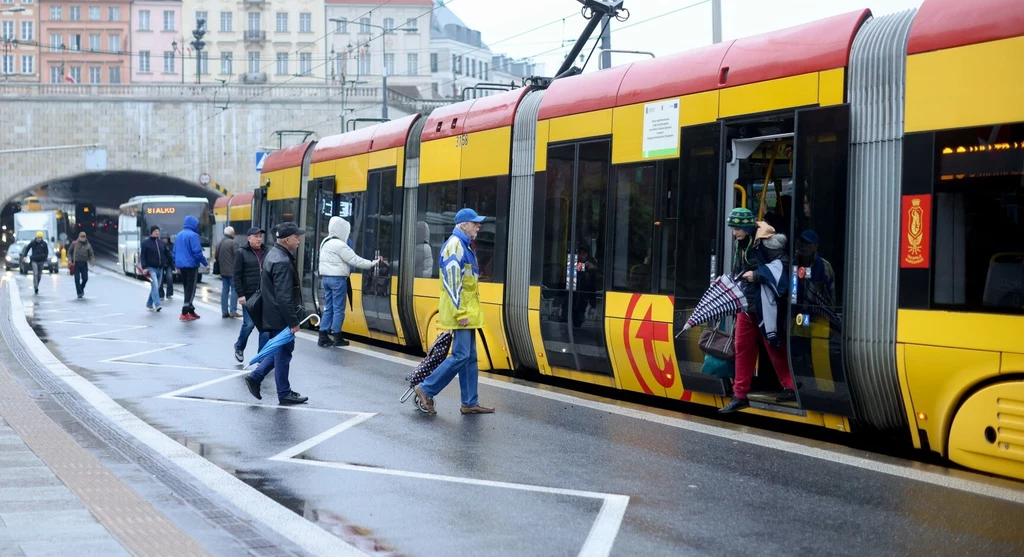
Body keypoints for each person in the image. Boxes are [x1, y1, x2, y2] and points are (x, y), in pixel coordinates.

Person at [413, 208, 494, 415]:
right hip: (462, 314)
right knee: (460, 356)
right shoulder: (455, 246)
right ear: (463, 225)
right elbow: (452, 282)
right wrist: (460, 314)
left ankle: (469, 402)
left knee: (470, 357)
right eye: (475, 222)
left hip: (469, 313)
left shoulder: (465, 245)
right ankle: (426, 388)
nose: (478, 226)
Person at [720, 207, 796, 413]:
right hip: (747, 304)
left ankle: (790, 386)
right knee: (742, 347)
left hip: (765, 304)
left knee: (772, 344)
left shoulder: (767, 241)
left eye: (736, 228)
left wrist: (758, 275)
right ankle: (740, 395)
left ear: (745, 226)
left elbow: (785, 267)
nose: (734, 232)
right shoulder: (741, 243)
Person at [243, 222, 308, 405]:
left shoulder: (273, 254)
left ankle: (256, 377)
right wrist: (293, 322)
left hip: (272, 313)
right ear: (287, 240)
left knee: (280, 349)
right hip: (280, 316)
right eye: (296, 237)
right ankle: (283, 393)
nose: (299, 240)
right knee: (284, 352)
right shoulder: (282, 261)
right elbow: (283, 296)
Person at [317, 216, 379, 347]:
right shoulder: (340, 245)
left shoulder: (325, 242)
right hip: (338, 280)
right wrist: (371, 263)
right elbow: (355, 260)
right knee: (339, 308)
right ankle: (337, 336)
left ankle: (323, 335)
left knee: (329, 307)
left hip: (326, 279)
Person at [233, 227, 270, 362]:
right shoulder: (242, 253)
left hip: (265, 295)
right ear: (249, 238)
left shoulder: (267, 252)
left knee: (265, 327)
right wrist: (240, 294)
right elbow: (236, 275)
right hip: (249, 295)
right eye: (256, 236)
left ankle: (262, 356)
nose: (259, 239)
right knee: (249, 324)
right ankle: (239, 346)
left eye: (260, 236)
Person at [173, 215, 208, 321]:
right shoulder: (193, 236)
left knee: (186, 288)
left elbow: (174, 252)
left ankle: (191, 310)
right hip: (191, 265)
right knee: (191, 289)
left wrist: (176, 264)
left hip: (182, 265)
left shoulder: (179, 235)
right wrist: (205, 263)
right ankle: (184, 312)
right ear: (193, 225)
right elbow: (197, 252)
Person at [215, 226, 240, 318]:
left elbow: (216, 257)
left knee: (225, 290)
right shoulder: (233, 243)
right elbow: (238, 257)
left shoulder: (219, 243)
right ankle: (233, 311)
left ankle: (224, 311)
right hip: (233, 271)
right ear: (232, 234)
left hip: (223, 271)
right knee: (234, 290)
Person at [139, 226, 164, 312]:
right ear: (151, 232)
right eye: (155, 231)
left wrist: (172, 265)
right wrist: (144, 267)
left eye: (158, 231)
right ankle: (157, 304)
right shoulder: (146, 243)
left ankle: (149, 303)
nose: (157, 232)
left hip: (160, 268)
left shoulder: (161, 243)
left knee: (156, 286)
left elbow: (166, 254)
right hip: (151, 268)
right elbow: (143, 256)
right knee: (155, 285)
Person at [69, 231, 95, 299]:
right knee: (77, 279)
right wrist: (69, 260)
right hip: (76, 264)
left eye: (84, 237)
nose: (83, 238)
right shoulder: (75, 243)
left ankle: (81, 288)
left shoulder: (88, 245)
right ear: (79, 237)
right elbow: (69, 252)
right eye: (81, 237)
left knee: (85, 278)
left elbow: (91, 254)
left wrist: (92, 262)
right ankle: (79, 293)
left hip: (84, 263)